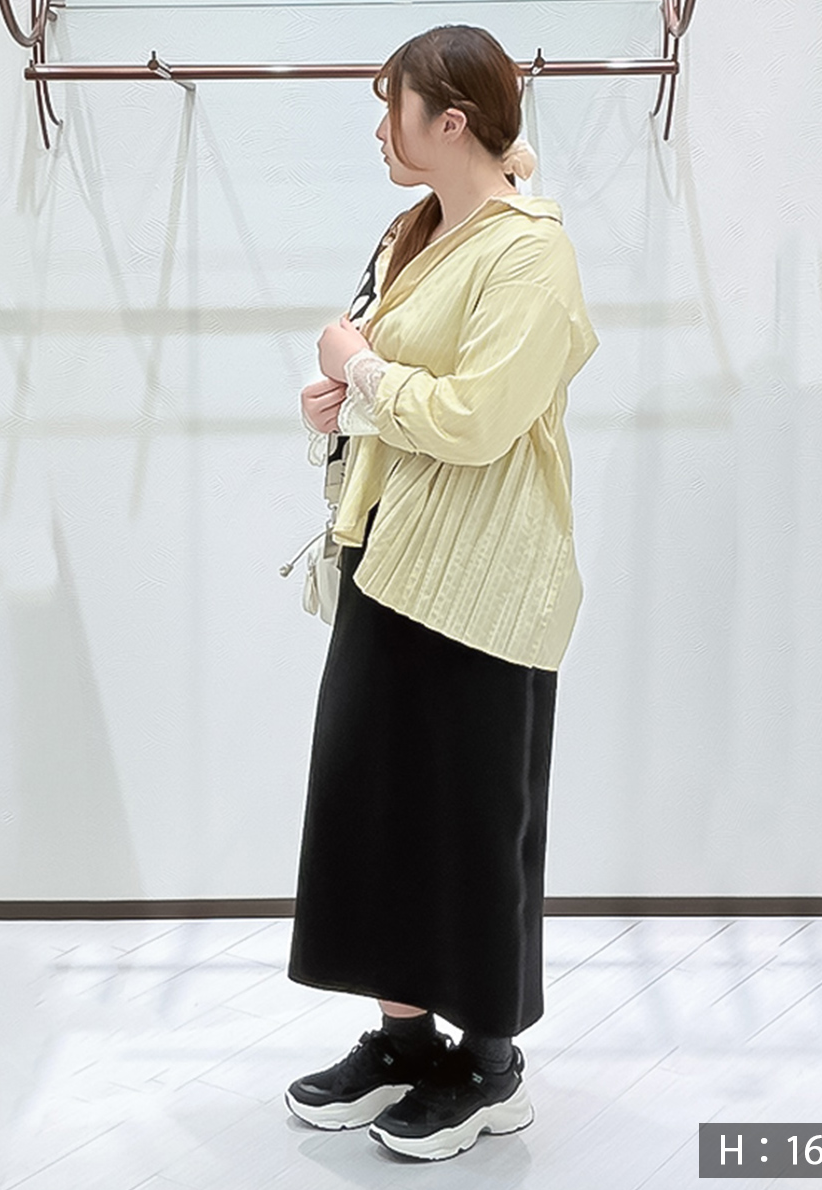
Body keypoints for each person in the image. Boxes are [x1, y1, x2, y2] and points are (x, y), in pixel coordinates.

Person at [284, 23, 599, 1162]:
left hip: (485, 578)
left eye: (394, 109)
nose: (381, 130)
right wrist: (341, 401)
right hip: (391, 559)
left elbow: (474, 421)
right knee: (373, 802)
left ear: (450, 121)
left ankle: (491, 1064)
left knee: (469, 818)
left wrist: (360, 369)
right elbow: (397, 389)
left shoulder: (529, 254)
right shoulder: (417, 230)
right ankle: (405, 1040)